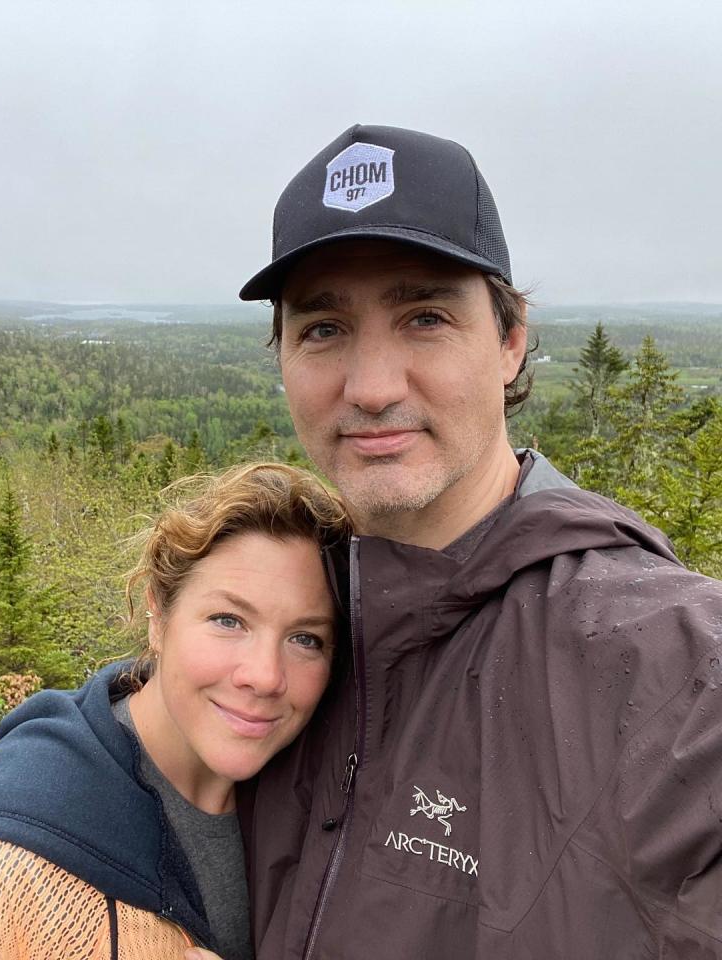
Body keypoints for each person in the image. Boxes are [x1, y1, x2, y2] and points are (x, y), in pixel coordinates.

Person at [192, 125, 722, 959]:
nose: (370, 390)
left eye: (426, 317)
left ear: (510, 344)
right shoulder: (267, 628)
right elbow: (121, 737)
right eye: (324, 329)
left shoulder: (675, 669)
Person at [0, 462, 349, 960]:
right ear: (158, 617)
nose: (265, 676)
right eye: (228, 620)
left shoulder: (316, 804)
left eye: (305, 638)